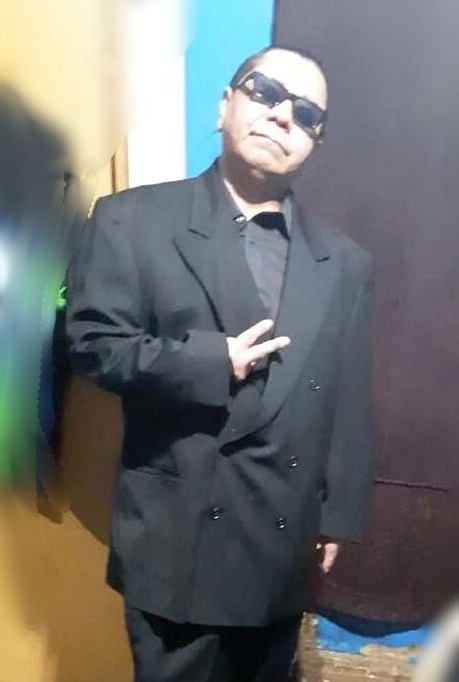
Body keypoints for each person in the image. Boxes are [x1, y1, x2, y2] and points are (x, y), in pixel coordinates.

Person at [66, 45, 374, 682]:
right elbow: (93, 343)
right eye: (266, 92)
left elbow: (348, 397)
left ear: (315, 142)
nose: (283, 115)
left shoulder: (344, 262)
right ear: (224, 105)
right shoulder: (132, 220)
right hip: (177, 538)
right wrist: (210, 361)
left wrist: (338, 514)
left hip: (282, 540)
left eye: (307, 113)